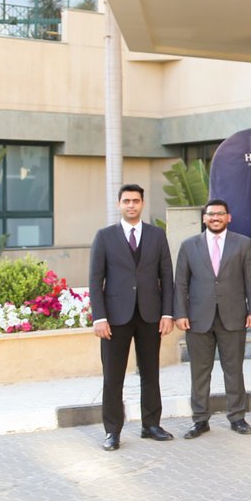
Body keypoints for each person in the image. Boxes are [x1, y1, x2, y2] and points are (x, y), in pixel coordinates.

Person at [88, 183, 175, 451]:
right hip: (115, 318)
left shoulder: (157, 235)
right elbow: (95, 279)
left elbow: (166, 277)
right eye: (126, 201)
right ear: (119, 204)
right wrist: (99, 317)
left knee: (150, 373)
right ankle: (112, 431)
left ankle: (151, 425)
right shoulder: (104, 236)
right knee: (113, 377)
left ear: (142, 203)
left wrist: (167, 313)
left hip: (150, 315)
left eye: (135, 201)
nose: (131, 205)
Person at [173, 199, 251, 439]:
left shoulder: (242, 244)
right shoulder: (189, 245)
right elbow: (180, 283)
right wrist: (180, 313)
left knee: (234, 370)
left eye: (220, 214)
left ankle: (238, 417)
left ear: (228, 217)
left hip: (233, 316)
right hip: (198, 319)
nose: (215, 218)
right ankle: (200, 420)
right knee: (200, 372)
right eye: (211, 214)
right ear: (204, 218)